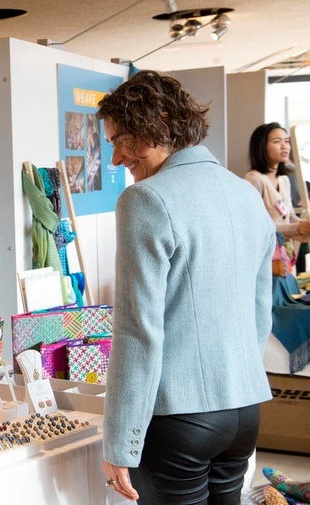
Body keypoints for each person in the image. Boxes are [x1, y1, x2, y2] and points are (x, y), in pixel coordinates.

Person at [97, 70, 276, 504]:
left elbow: (139, 331)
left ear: (156, 123)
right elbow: (259, 310)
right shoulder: (244, 194)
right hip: (243, 411)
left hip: (179, 420)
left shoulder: (146, 200)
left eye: (120, 139)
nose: (116, 159)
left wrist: (120, 442)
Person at [244, 122, 310, 263]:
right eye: (277, 141)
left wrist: (304, 225)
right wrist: (297, 227)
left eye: (286, 141)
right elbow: (257, 225)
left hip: (284, 252)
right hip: (267, 256)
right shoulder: (254, 179)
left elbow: (289, 216)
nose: (284, 146)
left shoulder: (284, 180)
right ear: (262, 146)